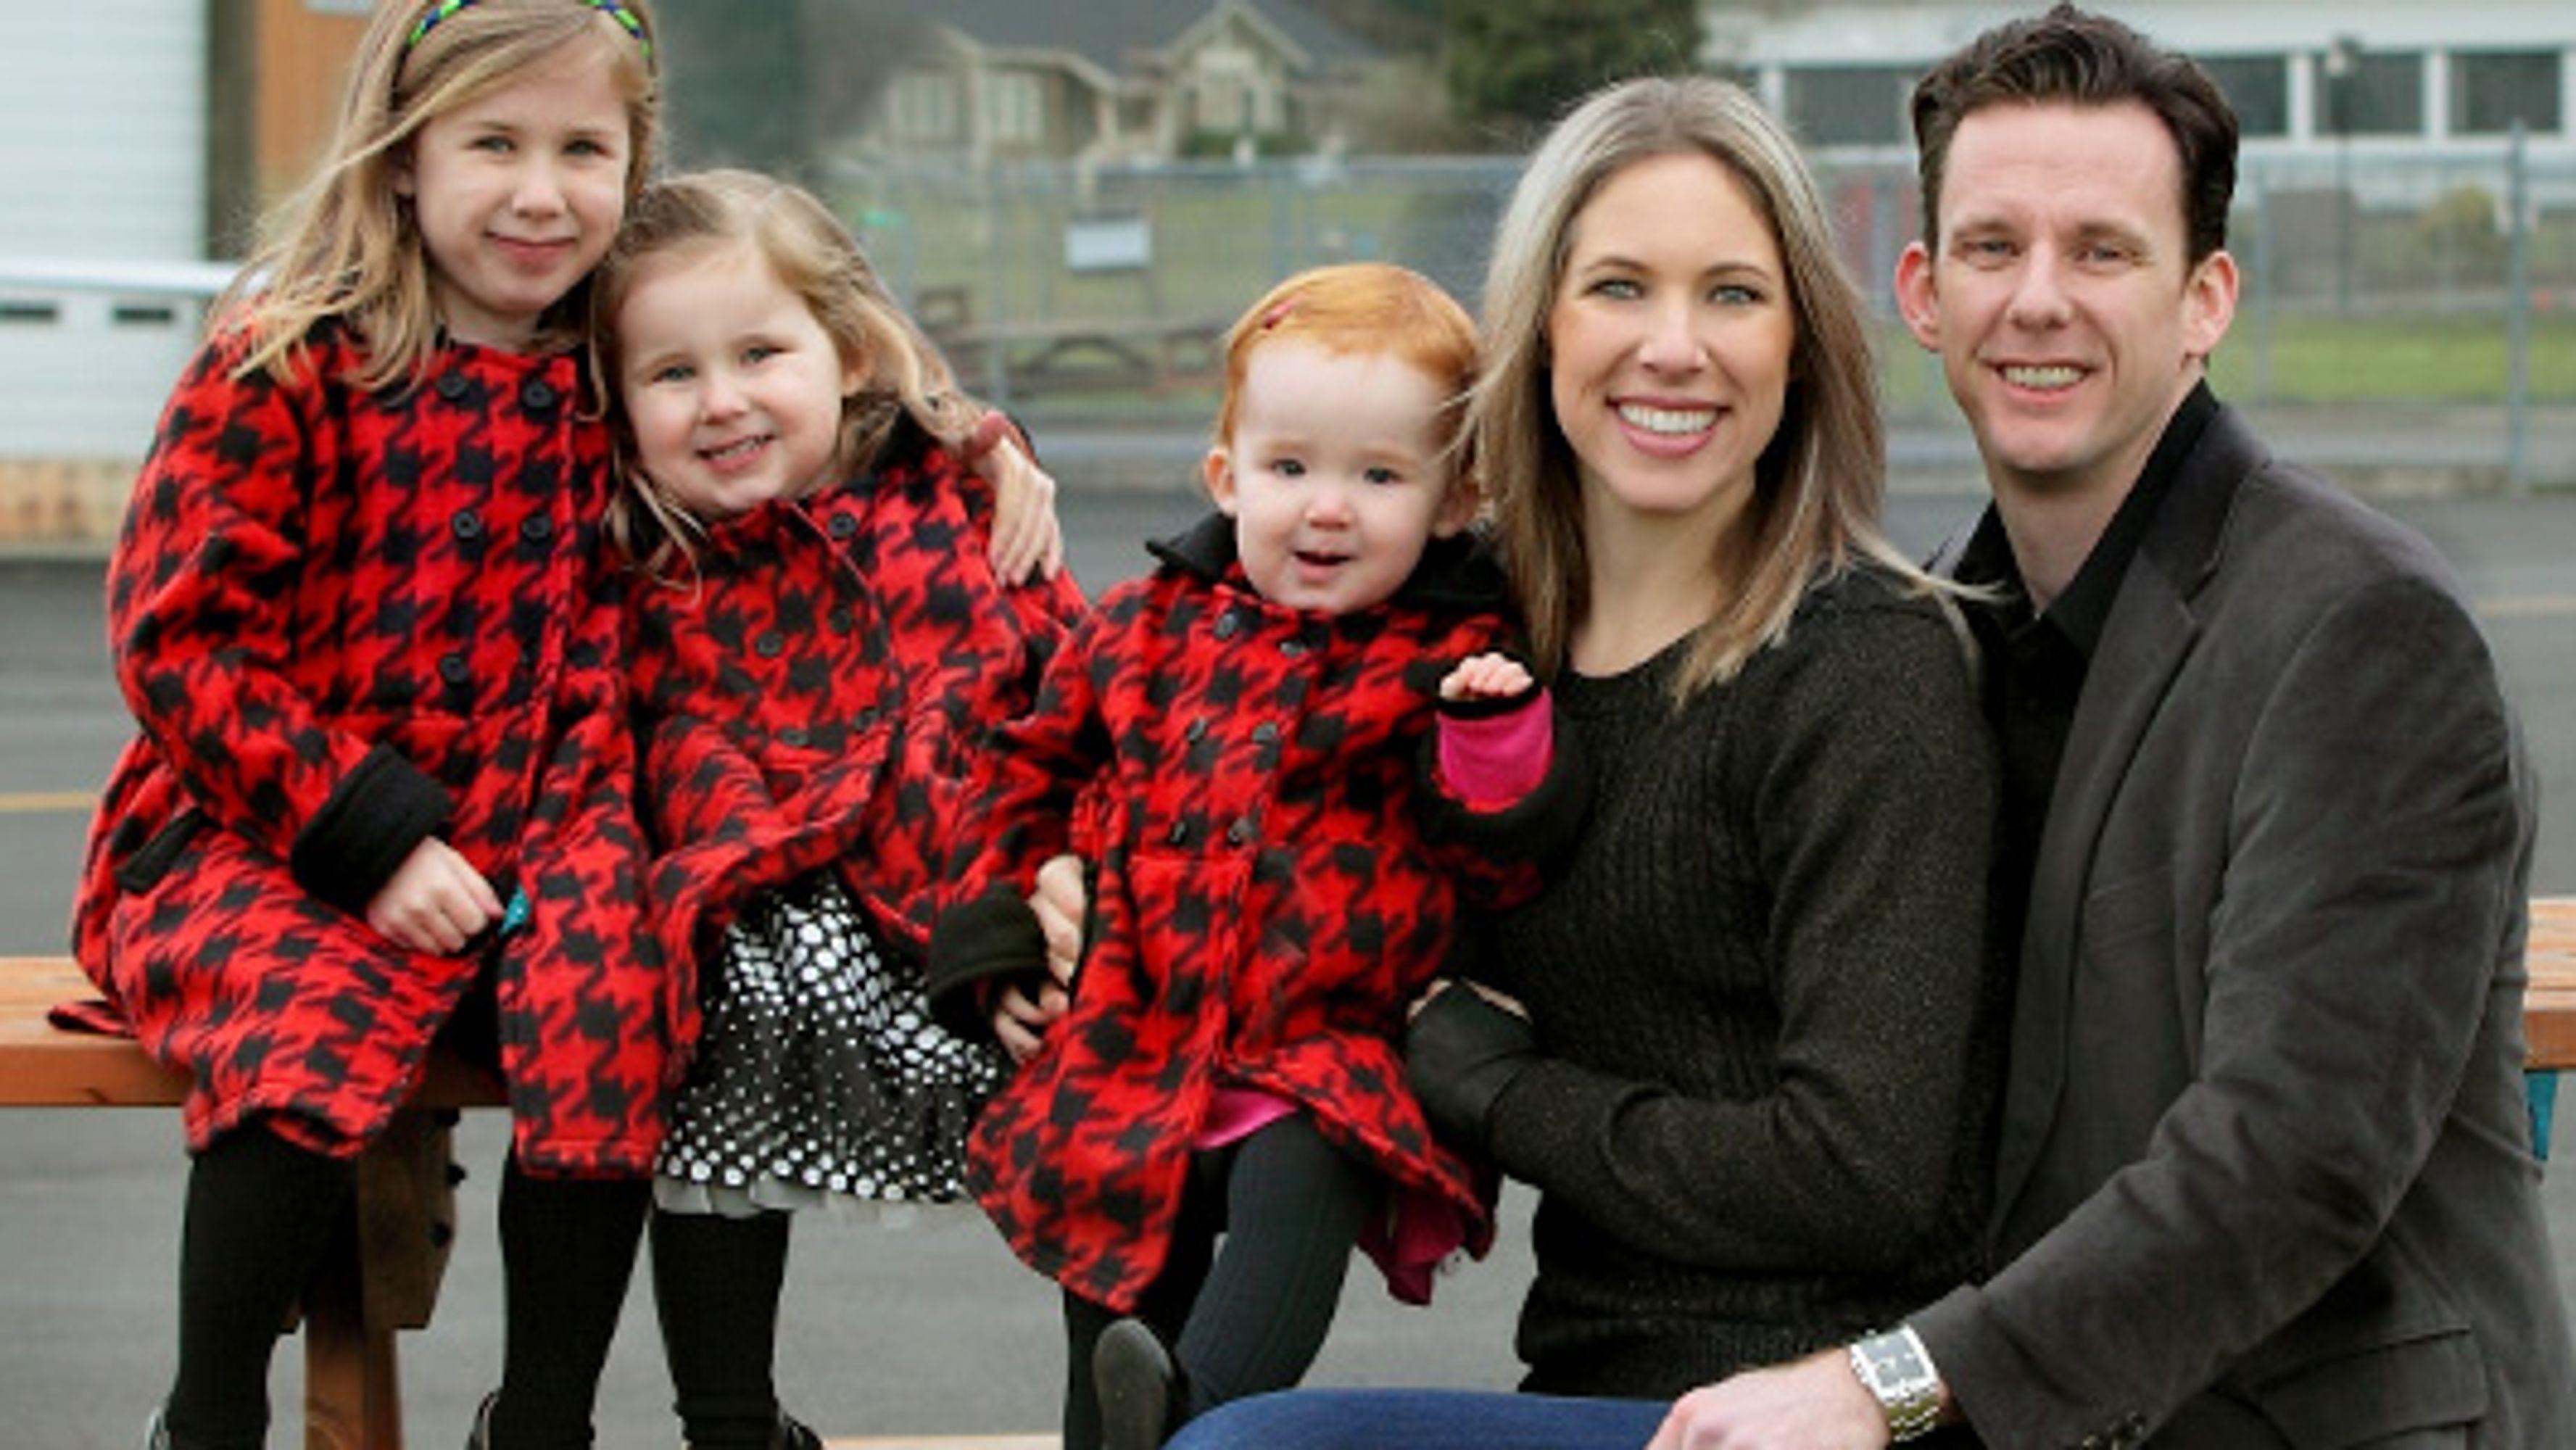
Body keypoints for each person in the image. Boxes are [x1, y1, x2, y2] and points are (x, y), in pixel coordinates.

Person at [1649, 7, 2576, 1448]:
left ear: (2204, 300)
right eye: (1992, 248)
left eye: (2101, 251)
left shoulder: (2361, 633)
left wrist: (1886, 1381)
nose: (2037, 301)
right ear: (1923, 290)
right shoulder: (1939, 631)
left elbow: (2293, 1153)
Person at [1158, 72, 2010, 1450]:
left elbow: (1863, 1173)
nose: (1672, 347)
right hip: (1590, 1391)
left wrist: (1493, 1088)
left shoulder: (1863, 669)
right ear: (1538, 329)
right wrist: (1065, 876)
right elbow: (1195, 664)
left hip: (1821, 1410)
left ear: (1800, 346)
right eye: (1618, 287)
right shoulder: (1469, 640)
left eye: (1732, 295)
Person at [67, 3, 670, 1447]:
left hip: (543, 826)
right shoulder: (289, 358)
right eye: (495, 145)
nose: (543, 192)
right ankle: (211, 1414)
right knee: (307, 1015)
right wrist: (370, 836)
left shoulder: (631, 358)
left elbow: (821, 376)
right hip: (261, 823)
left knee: (623, 998)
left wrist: (977, 443)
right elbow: (179, 634)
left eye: (585, 148)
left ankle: (542, 1417)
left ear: (634, 163)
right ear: (405, 158)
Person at [925, 261, 1558, 1450]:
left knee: (1304, 1171)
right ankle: (1118, 1420)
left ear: (1452, 499)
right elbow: (1019, 775)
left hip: (1321, 1043)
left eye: (1377, 476)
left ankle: (1199, 1417)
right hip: (1133, 1027)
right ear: (1226, 475)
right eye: (1288, 469)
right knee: (1117, 1261)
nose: (1327, 508)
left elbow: (1501, 849)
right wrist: (1003, 930)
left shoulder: (1454, 655)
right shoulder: (1140, 627)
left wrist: (1495, 735)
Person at [590, 167, 1082, 1450]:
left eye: (761, 352)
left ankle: (1122, 1411)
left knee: (1114, 1029)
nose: (724, 402)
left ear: (851, 352)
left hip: (984, 887)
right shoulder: (643, 564)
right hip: (778, 912)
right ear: (618, 402)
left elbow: (1077, 703)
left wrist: (1051, 889)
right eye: (672, 374)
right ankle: (731, 1423)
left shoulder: (955, 509)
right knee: (712, 1006)